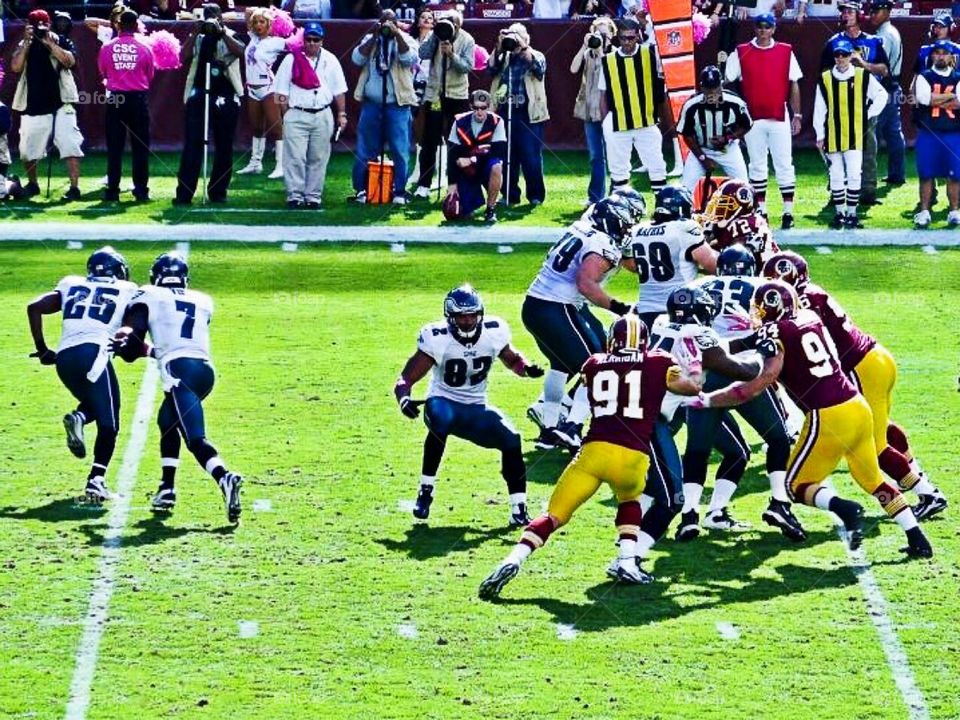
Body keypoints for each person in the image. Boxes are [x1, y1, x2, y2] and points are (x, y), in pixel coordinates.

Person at [683, 280, 933, 559]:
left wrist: (709, 400)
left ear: (771, 308)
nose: (755, 313)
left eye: (759, 308)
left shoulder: (775, 334)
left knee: (795, 486)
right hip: (857, 406)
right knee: (872, 480)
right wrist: (710, 348)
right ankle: (917, 537)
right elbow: (747, 342)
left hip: (828, 415)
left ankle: (846, 509)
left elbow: (758, 382)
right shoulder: (808, 316)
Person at [478, 314, 702, 599]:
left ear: (612, 341)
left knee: (554, 515)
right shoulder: (658, 361)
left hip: (593, 452)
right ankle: (626, 561)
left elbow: (591, 388)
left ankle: (513, 559)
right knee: (630, 500)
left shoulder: (594, 364)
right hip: (632, 456)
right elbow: (691, 388)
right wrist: (695, 366)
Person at [762, 251, 948, 521]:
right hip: (875, 358)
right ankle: (918, 481)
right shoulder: (812, 291)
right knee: (881, 429)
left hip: (860, 367)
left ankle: (927, 493)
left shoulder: (802, 302)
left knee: (875, 446)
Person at [393, 285, 544, 526]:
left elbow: (513, 360)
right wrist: (404, 400)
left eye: (472, 315)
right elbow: (406, 379)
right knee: (441, 420)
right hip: (443, 401)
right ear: (450, 317)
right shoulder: (437, 337)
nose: (468, 321)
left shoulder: (494, 332)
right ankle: (425, 491)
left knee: (512, 439)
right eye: (462, 316)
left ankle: (518, 508)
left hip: (476, 407)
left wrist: (527, 369)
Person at [112, 252, 244, 524]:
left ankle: (224, 477)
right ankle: (167, 488)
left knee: (195, 439)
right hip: (204, 371)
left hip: (178, 369)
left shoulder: (148, 294)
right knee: (167, 421)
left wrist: (124, 345)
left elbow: (134, 338)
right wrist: (145, 350)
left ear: (156, 277)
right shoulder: (203, 300)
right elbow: (173, 341)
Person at [685, 246, 806, 541]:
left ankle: (690, 516)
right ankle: (779, 502)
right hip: (746, 369)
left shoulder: (697, 286)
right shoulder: (763, 286)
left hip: (705, 373)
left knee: (698, 450)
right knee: (778, 439)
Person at [26, 247, 139, 504]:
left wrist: (42, 349)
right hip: (95, 353)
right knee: (110, 421)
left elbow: (34, 307)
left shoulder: (71, 283)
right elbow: (131, 325)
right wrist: (125, 340)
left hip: (65, 358)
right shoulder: (128, 288)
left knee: (95, 406)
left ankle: (79, 418)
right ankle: (96, 482)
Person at [522, 198, 635, 451]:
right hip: (557, 307)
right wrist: (620, 308)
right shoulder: (601, 242)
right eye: (626, 223)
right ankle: (571, 428)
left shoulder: (581, 227)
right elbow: (586, 284)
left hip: (535, 305)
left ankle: (549, 430)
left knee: (561, 365)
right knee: (596, 368)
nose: (628, 228)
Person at [724, 13, 803, 230]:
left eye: (767, 27)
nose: (763, 30)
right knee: (757, 164)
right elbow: (727, 79)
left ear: (773, 29)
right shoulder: (741, 51)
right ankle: (761, 210)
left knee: (784, 163)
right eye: (759, 26)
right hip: (753, 119)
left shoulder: (785, 51)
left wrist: (797, 115)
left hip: (779, 116)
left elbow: (794, 83)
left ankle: (788, 212)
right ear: (754, 28)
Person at [173, 4, 245, 205]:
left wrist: (222, 33)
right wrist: (196, 32)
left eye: (215, 16)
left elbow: (241, 52)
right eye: (208, 17)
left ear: (221, 17)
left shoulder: (231, 34)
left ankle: (218, 191)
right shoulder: (199, 36)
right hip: (199, 93)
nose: (211, 20)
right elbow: (183, 57)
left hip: (226, 94)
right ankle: (184, 193)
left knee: (224, 145)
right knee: (192, 144)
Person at [9, 9, 84, 201]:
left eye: (44, 24)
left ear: (49, 24)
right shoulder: (24, 43)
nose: (40, 28)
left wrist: (50, 43)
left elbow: (69, 61)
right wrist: (27, 42)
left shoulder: (61, 41)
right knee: (27, 150)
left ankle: (74, 188)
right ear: (29, 25)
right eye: (36, 25)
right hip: (33, 104)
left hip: (61, 102)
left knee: (70, 144)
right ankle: (33, 184)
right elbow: (16, 67)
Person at [821, 0, 889, 207]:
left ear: (859, 15)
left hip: (865, 102)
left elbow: (884, 70)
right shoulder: (833, 42)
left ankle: (867, 192)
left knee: (868, 148)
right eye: (844, 12)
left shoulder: (873, 41)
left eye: (850, 11)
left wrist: (863, 64)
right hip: (840, 103)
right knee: (837, 149)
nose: (846, 15)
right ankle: (837, 191)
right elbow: (823, 74)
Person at [814, 39, 888, 229]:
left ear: (851, 56)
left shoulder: (862, 76)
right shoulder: (825, 78)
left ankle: (852, 214)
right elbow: (819, 109)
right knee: (836, 174)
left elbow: (882, 95)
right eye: (837, 55)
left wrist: (868, 114)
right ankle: (840, 213)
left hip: (856, 133)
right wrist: (819, 134)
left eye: (844, 55)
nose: (840, 58)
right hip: (832, 133)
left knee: (855, 174)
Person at [274, 21, 348, 209]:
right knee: (295, 157)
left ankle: (313, 196)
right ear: (303, 40)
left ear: (322, 41)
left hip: (322, 113)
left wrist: (341, 113)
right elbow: (281, 92)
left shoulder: (330, 59)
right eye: (308, 39)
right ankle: (294, 195)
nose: (312, 43)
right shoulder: (291, 59)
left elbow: (339, 90)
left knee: (319, 157)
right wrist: (286, 115)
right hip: (296, 112)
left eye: (316, 39)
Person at [624, 186, 717, 330]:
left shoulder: (637, 230)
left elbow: (631, 264)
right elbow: (713, 265)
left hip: (645, 313)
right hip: (679, 311)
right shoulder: (684, 228)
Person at [351, 10, 419, 205]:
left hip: (397, 104)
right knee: (366, 148)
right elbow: (356, 59)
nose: (387, 26)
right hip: (372, 103)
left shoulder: (406, 39)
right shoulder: (370, 39)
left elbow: (410, 59)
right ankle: (362, 189)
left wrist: (397, 35)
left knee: (400, 149)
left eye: (391, 23)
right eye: (384, 22)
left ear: (397, 24)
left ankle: (399, 191)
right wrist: (375, 37)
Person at [598, 17, 671, 195]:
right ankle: (618, 205)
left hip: (646, 121)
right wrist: (605, 122)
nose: (627, 42)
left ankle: (663, 205)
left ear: (638, 36)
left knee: (657, 165)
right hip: (618, 121)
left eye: (631, 37)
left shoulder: (651, 54)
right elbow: (602, 94)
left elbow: (664, 37)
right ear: (618, 38)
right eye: (623, 38)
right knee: (618, 169)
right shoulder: (608, 60)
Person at [413, 11, 475, 199]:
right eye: (444, 22)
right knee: (429, 141)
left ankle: (455, 184)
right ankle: (424, 185)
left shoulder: (467, 40)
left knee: (457, 142)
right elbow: (422, 54)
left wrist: (452, 54)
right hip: (435, 95)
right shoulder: (436, 35)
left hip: (457, 96)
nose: (447, 26)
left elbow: (467, 67)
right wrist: (435, 36)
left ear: (458, 25)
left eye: (451, 23)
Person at [489, 23, 548, 208]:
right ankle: (510, 195)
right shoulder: (503, 56)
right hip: (505, 111)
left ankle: (535, 195)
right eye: (510, 34)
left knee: (531, 156)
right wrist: (499, 47)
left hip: (528, 113)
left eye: (517, 35)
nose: (512, 39)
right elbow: (490, 70)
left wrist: (523, 47)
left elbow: (539, 70)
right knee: (507, 156)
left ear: (526, 38)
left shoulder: (536, 54)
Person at [98, 10, 154, 203]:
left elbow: (104, 73)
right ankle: (141, 190)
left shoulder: (107, 47)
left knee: (114, 147)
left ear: (118, 25)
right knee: (141, 148)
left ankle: (112, 190)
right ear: (137, 26)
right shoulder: (145, 48)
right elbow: (149, 75)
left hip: (115, 99)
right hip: (137, 99)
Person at [677, 65, 751, 193]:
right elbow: (687, 135)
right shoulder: (691, 106)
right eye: (708, 88)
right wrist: (702, 158)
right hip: (701, 150)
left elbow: (746, 124)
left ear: (721, 85)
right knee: (685, 190)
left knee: (743, 188)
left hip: (729, 150)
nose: (712, 93)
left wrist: (728, 138)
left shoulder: (735, 103)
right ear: (702, 87)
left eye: (715, 88)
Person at [910, 41, 960, 229]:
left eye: (944, 53)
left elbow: (958, 102)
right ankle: (924, 211)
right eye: (937, 53)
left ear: (951, 56)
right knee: (926, 173)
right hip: (929, 131)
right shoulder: (924, 76)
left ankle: (954, 211)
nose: (940, 56)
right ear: (932, 56)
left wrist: (935, 99)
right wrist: (951, 96)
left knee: (954, 174)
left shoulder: (957, 77)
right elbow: (924, 99)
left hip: (953, 131)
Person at [237, 8, 288, 179]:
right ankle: (255, 163)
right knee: (257, 127)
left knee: (276, 128)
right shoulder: (253, 38)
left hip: (268, 88)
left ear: (269, 25)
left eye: (262, 22)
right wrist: (260, 12)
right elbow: (248, 11)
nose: (258, 25)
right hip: (252, 88)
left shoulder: (276, 42)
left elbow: (296, 46)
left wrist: (278, 17)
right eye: (256, 22)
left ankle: (281, 165)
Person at [571, 17, 616, 206]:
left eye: (604, 33)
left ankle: (617, 194)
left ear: (612, 35)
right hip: (590, 111)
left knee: (615, 154)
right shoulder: (588, 53)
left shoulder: (615, 53)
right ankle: (596, 197)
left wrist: (602, 52)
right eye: (597, 33)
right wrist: (585, 46)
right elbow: (573, 69)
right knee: (596, 156)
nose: (601, 37)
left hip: (610, 112)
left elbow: (611, 75)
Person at [443, 90, 506, 223]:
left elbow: (498, 152)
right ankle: (469, 200)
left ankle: (490, 209)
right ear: (470, 106)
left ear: (488, 107)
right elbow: (452, 154)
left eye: (483, 108)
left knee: (497, 166)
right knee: (463, 213)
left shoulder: (497, 121)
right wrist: (452, 184)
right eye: (476, 108)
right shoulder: (459, 121)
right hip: (466, 170)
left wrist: (473, 159)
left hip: (485, 165)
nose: (479, 111)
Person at [700, 179, 778, 268]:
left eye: (725, 204)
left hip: (759, 272)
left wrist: (702, 243)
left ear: (742, 205)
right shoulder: (752, 219)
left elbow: (733, 258)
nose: (718, 209)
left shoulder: (741, 224)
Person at [869, 0, 905, 188]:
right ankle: (897, 174)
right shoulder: (891, 31)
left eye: (877, 11)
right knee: (893, 133)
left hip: (884, 88)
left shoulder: (885, 35)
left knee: (871, 134)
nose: (872, 15)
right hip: (893, 87)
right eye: (872, 11)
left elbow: (881, 68)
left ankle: (867, 178)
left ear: (888, 12)